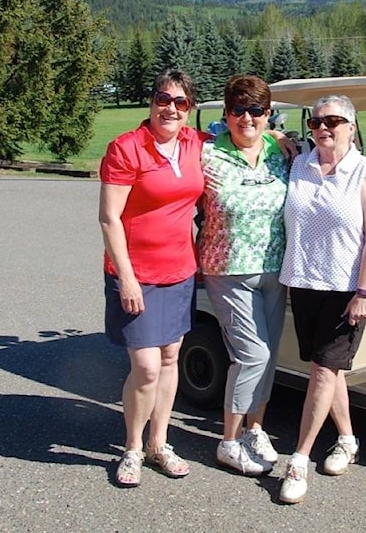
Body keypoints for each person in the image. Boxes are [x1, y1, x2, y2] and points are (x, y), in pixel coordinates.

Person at [98, 68, 211, 487]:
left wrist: (281, 140)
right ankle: (131, 447)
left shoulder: (195, 144)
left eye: (180, 103)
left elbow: (244, 142)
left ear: (189, 109)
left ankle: (158, 443)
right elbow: (109, 218)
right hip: (136, 272)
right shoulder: (127, 148)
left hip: (179, 270)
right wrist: (126, 278)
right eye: (164, 99)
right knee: (145, 366)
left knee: (169, 359)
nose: (171, 108)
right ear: (152, 102)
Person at [277, 94, 366, 504]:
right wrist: (274, 132)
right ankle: (346, 439)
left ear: (352, 126)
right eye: (316, 122)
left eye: (333, 121)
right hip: (304, 283)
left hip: (345, 290)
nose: (323, 128)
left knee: (322, 372)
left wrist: (365, 291)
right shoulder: (299, 164)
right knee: (328, 369)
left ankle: (298, 460)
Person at [198, 74, 290, 476]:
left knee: (268, 356)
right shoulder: (206, 155)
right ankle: (229, 442)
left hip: (275, 268)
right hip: (228, 268)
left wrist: (282, 139)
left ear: (268, 115)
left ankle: (256, 429)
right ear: (226, 114)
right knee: (252, 355)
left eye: (256, 111)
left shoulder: (280, 152)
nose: (247, 119)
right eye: (238, 111)